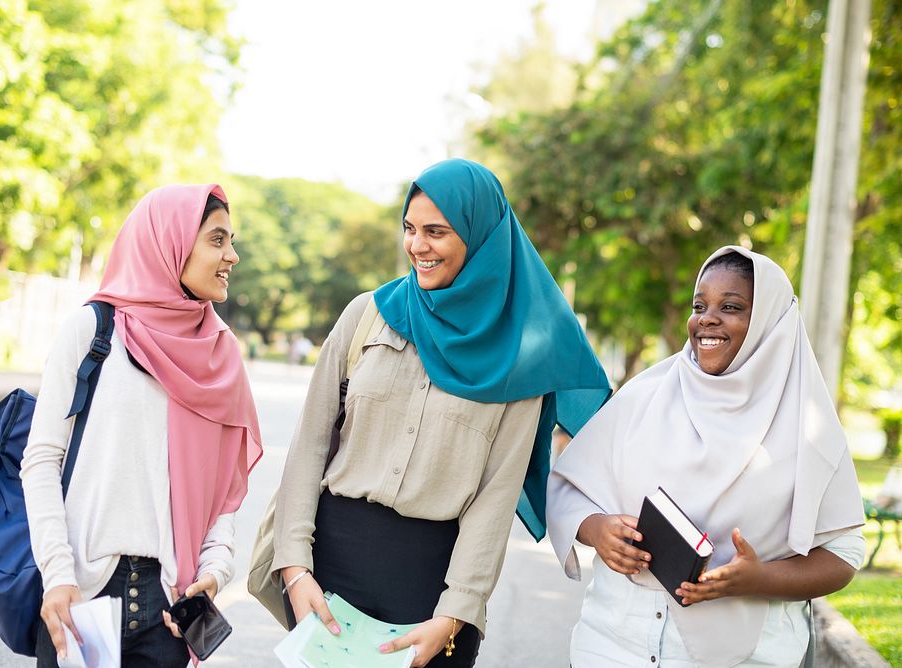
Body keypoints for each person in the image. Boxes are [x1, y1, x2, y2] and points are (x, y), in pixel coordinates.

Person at [270, 158, 611, 667]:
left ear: (480, 240)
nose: (417, 246)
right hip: (330, 574)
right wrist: (295, 569)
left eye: (437, 231)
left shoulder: (517, 360)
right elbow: (309, 447)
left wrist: (455, 613)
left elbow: (495, 496)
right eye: (409, 229)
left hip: (433, 590)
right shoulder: (367, 314)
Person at [547, 246, 866, 667]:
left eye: (730, 307)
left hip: (743, 655)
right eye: (699, 306)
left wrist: (756, 579)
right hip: (612, 643)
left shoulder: (809, 430)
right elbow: (570, 488)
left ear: (771, 323)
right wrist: (597, 529)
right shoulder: (643, 397)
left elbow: (842, 556)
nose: (707, 319)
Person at [21, 184, 262, 666]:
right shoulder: (94, 330)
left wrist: (214, 570)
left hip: (169, 610)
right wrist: (58, 575)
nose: (232, 255)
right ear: (169, 242)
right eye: (217, 240)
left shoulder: (220, 352)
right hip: (83, 594)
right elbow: (42, 460)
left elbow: (221, 493)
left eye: (231, 241)